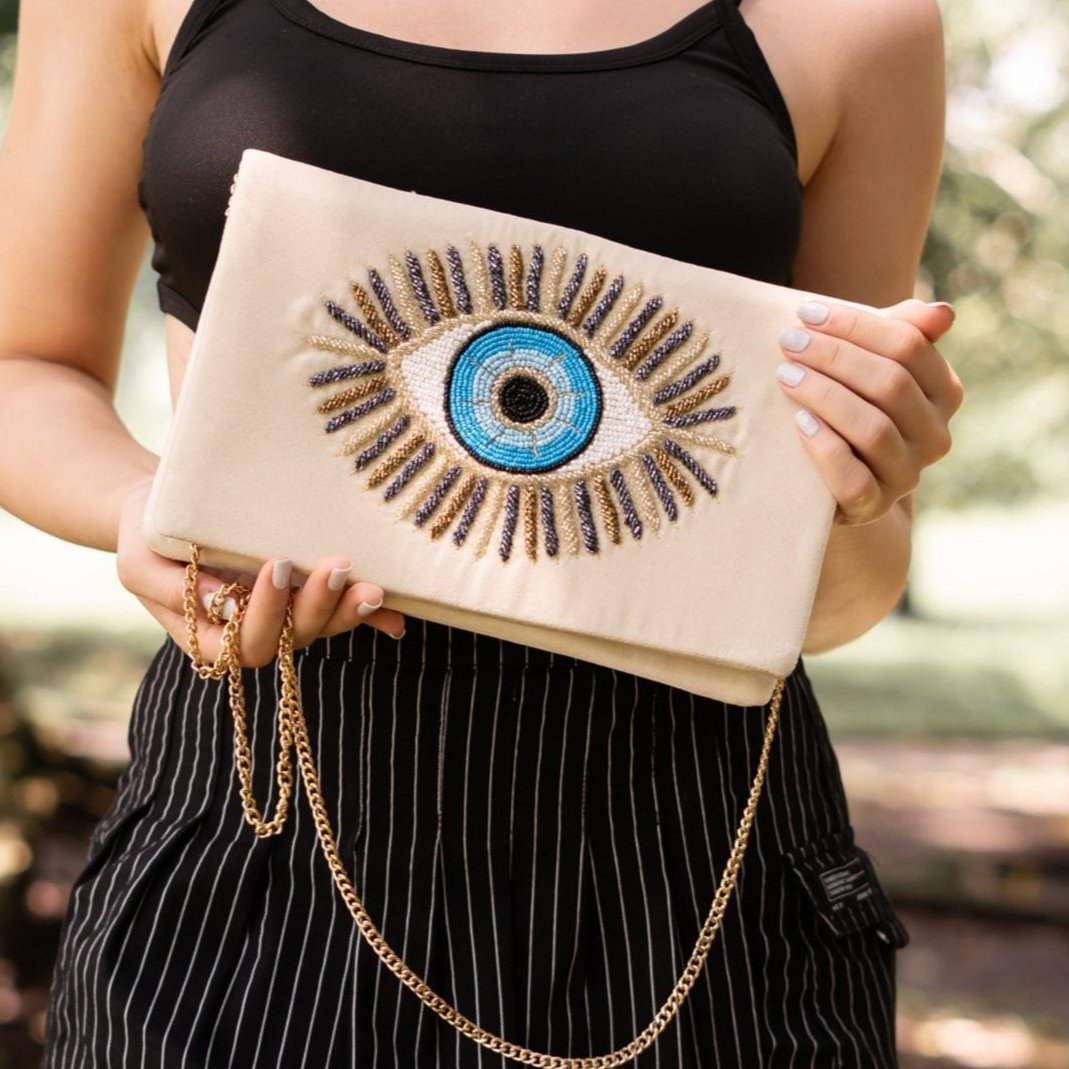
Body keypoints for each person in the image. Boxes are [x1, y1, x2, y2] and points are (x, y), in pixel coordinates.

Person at [0, 0, 963, 1064]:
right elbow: (24, 364)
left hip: (698, 866)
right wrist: (142, 509)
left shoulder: (855, 24)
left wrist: (856, 485)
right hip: (261, 808)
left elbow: (846, 591)